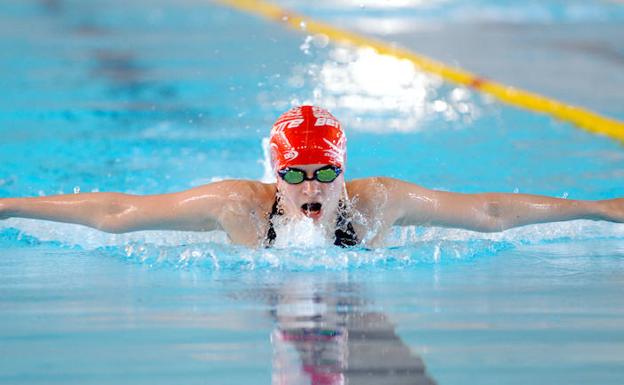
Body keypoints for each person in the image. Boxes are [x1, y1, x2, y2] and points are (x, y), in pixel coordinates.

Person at [0, 105, 622, 248]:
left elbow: (490, 214)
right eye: (295, 174)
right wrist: (8, 206)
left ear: (343, 167)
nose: (313, 186)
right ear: (275, 173)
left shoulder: (379, 204)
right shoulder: (236, 207)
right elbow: (118, 214)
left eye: (327, 171)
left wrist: (601, 208)